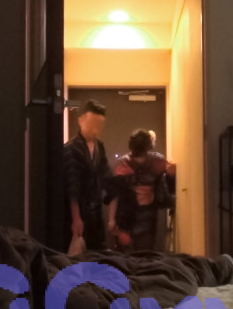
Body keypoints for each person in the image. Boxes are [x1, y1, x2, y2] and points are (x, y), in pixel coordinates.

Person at [107, 128, 177, 251]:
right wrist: (111, 219)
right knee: (127, 253)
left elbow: (169, 172)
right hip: (127, 216)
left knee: (144, 252)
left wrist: (170, 171)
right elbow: (114, 193)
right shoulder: (123, 164)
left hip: (146, 216)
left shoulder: (156, 161)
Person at [64, 99, 111, 251]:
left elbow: (105, 175)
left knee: (97, 253)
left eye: (99, 125)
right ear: (81, 120)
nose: (95, 130)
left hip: (96, 211)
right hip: (78, 212)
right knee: (77, 257)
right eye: (92, 124)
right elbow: (72, 185)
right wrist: (76, 217)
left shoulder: (99, 147)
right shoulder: (71, 148)